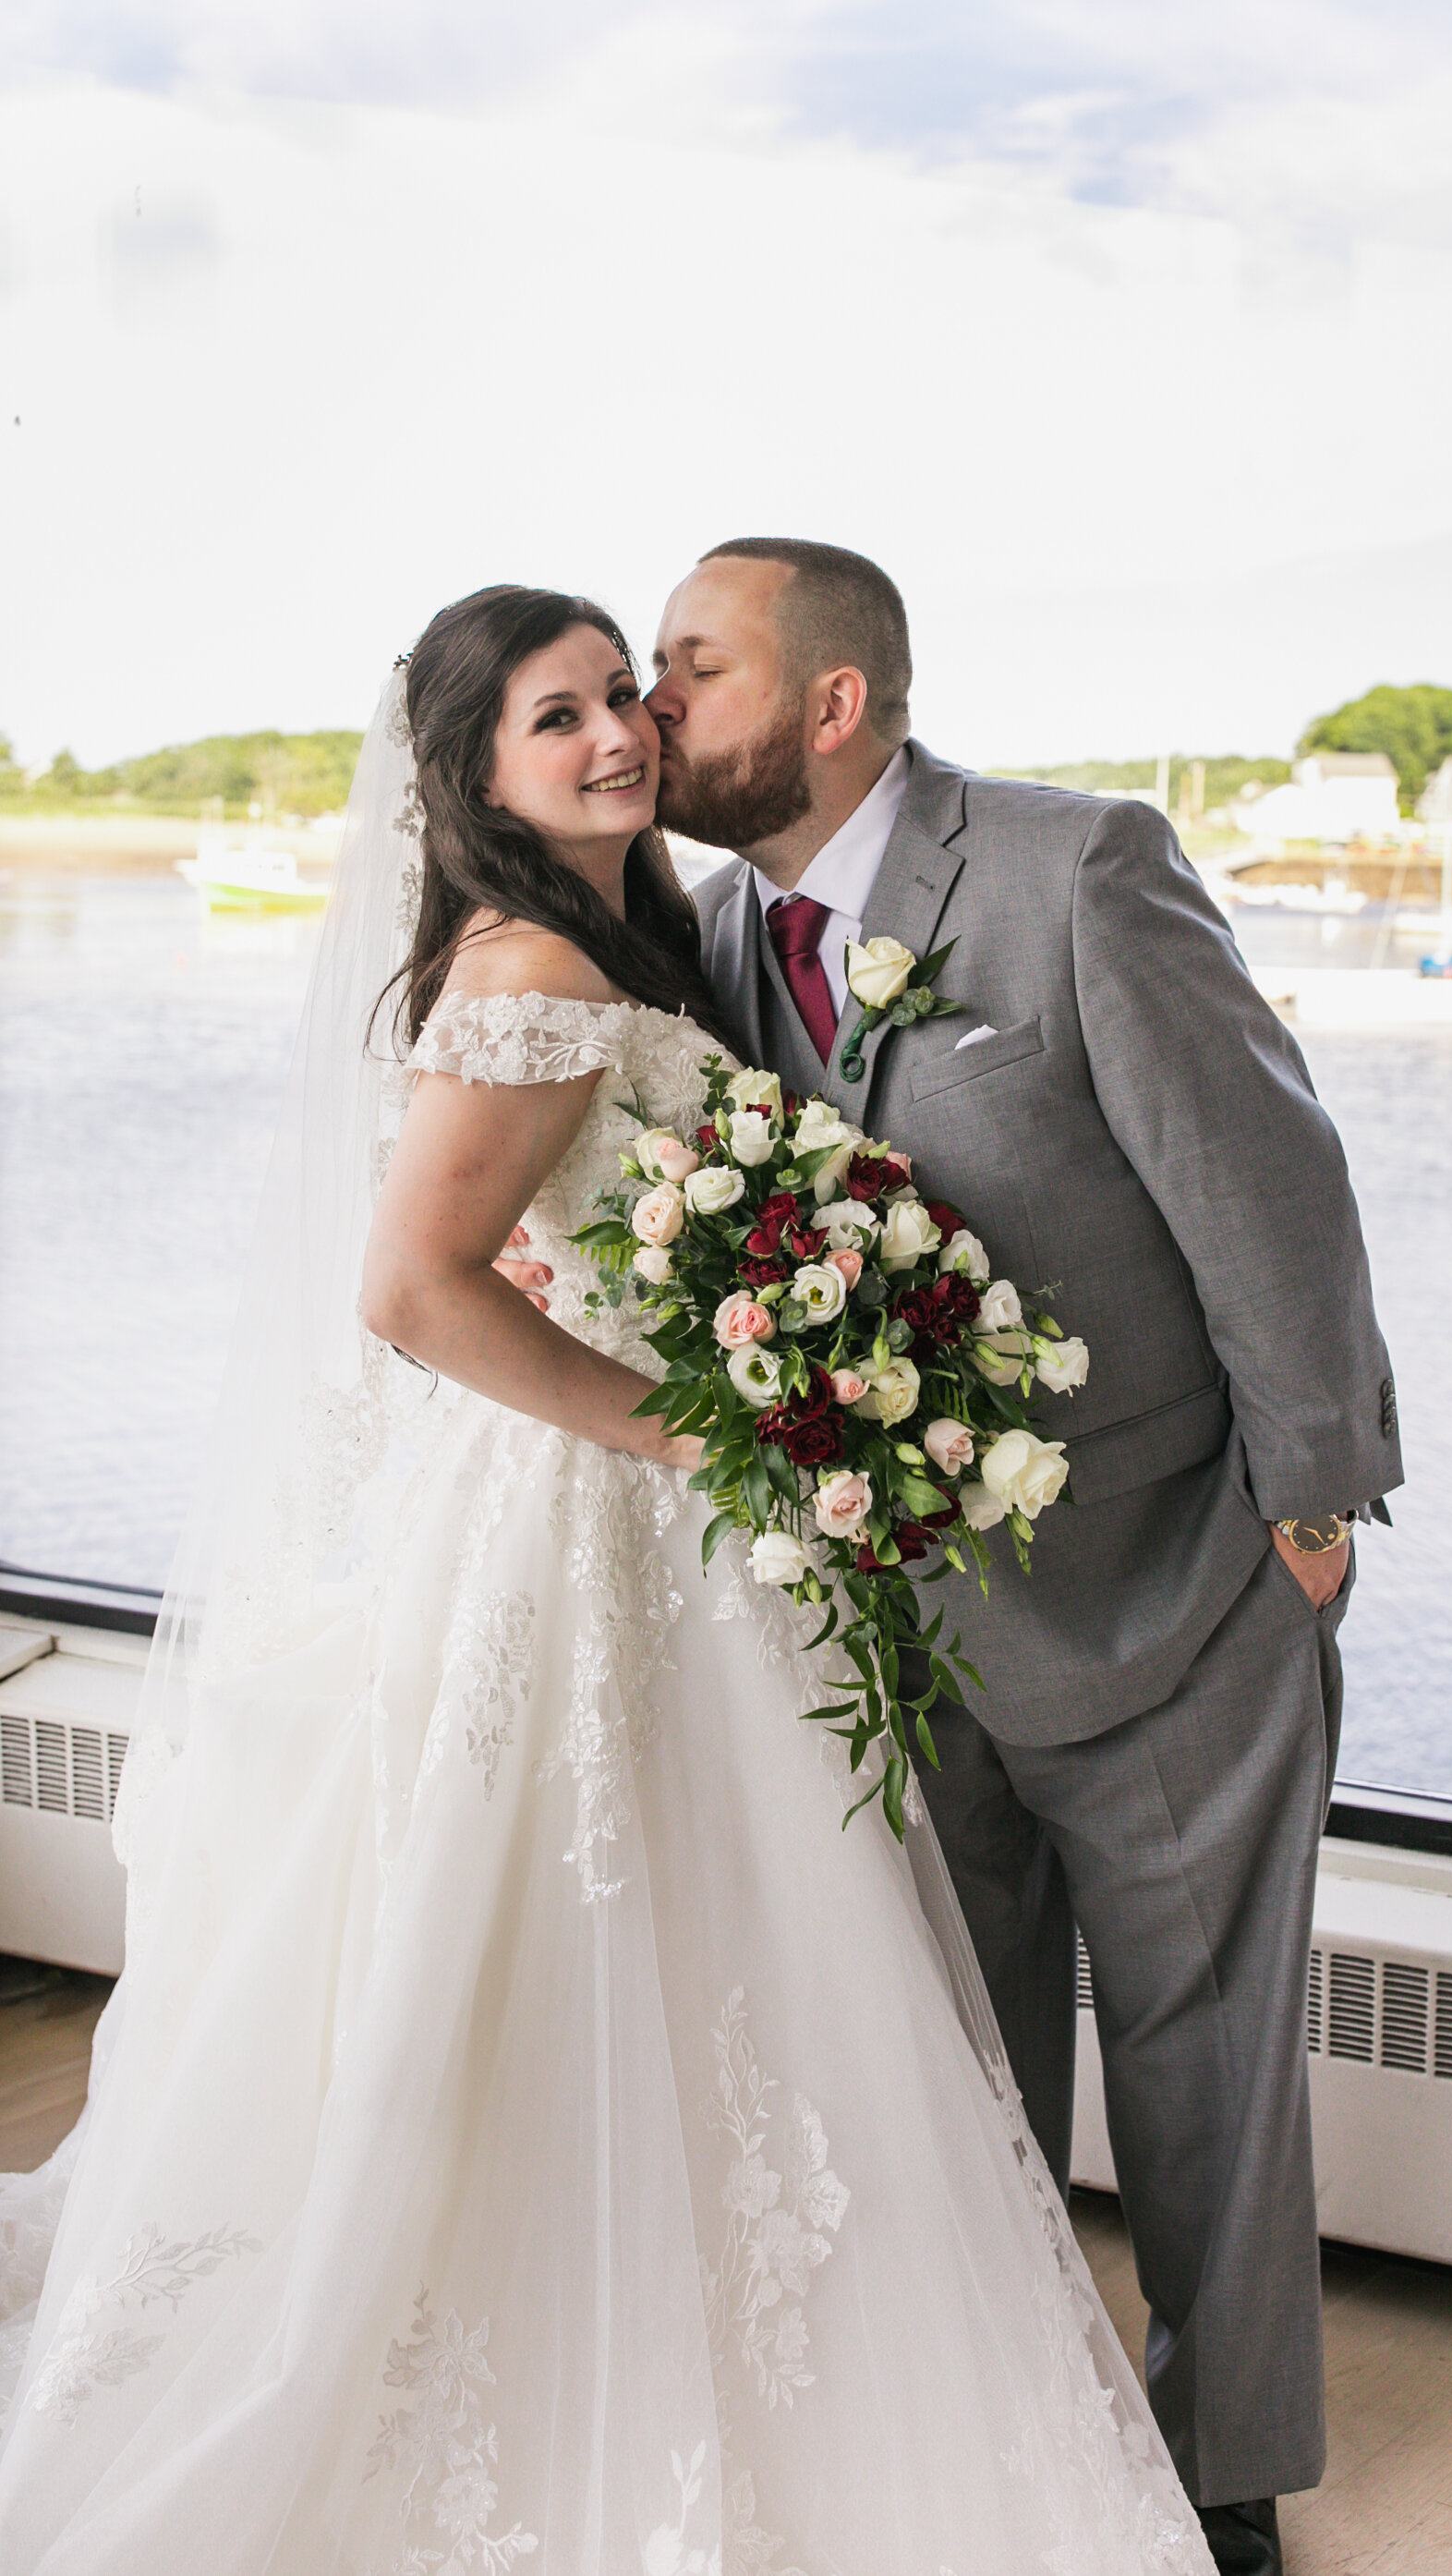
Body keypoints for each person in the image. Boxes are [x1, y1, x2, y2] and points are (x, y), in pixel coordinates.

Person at [0, 584, 1215, 2576]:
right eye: (555, 720)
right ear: (472, 774)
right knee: (568, 1926)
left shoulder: (626, 936)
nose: (614, 736)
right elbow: (407, 1285)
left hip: (661, 1531)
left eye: (621, 699)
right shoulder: (538, 959)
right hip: (584, 1528)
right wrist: (679, 1430)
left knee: (700, 1942)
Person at [619, 538, 1404, 2576]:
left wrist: (1307, 1517)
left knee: (1205, 2068)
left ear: (832, 705)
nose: (651, 703)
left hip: (1175, 1598)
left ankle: (1221, 2475)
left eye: (692, 669)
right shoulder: (708, 926)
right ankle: (1025, 2433)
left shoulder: (1078, 870)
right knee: (963, 2070)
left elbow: (1276, 1192)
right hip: (901, 1634)